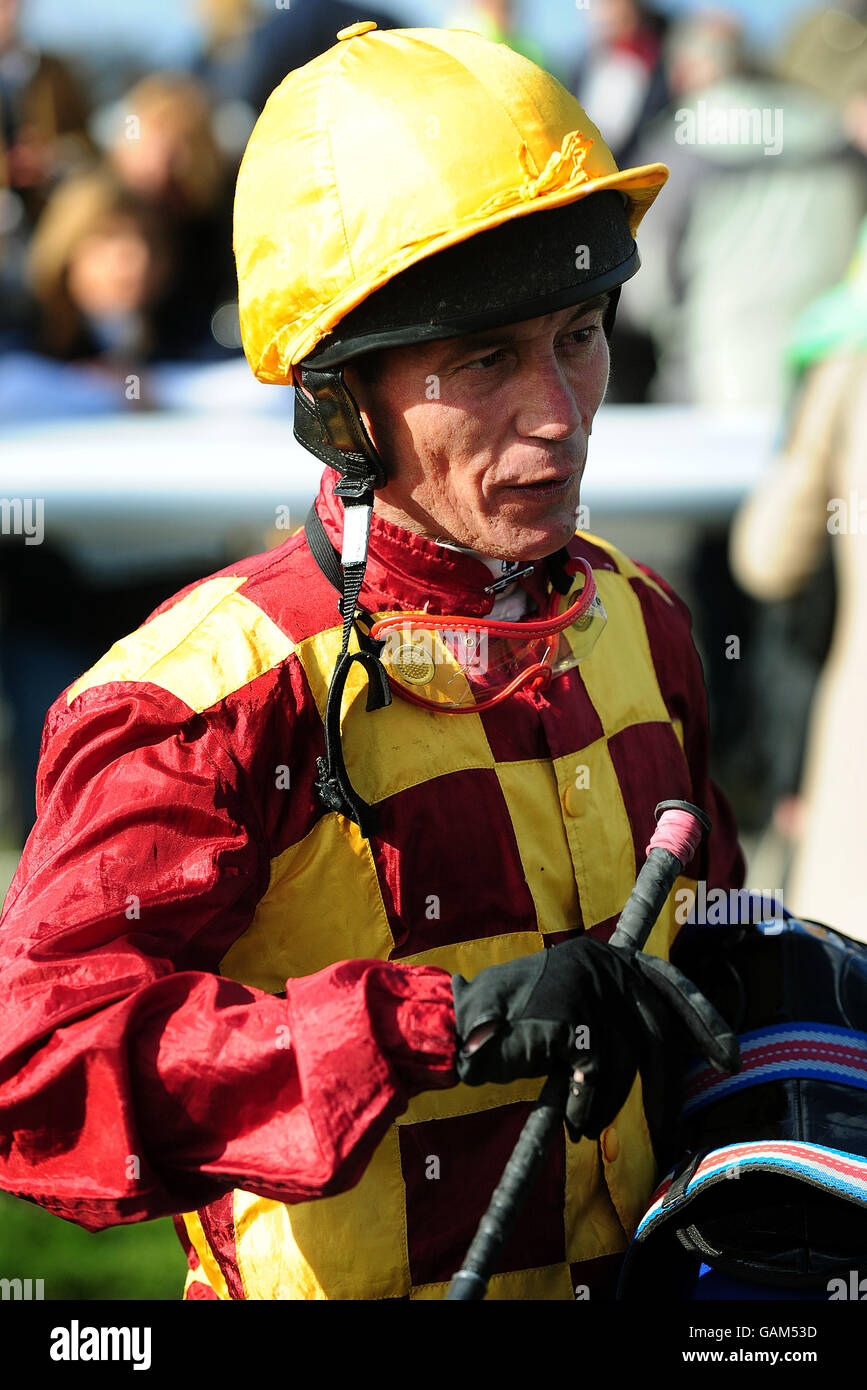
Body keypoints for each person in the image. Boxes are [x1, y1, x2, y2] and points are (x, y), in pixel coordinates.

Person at [0, 23, 745, 1302]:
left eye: (578, 332)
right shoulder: (203, 700)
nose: (560, 413)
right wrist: (437, 1029)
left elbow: (714, 960)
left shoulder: (643, 618)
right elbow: (41, 1072)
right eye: (486, 358)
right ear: (342, 404)